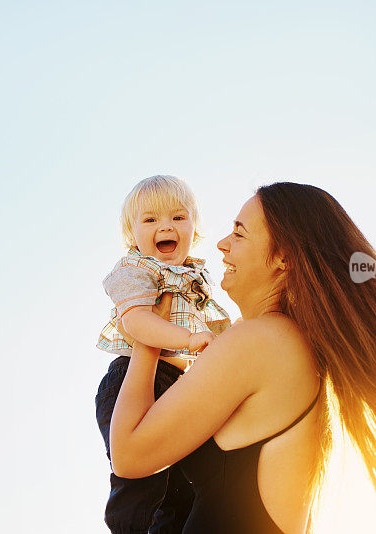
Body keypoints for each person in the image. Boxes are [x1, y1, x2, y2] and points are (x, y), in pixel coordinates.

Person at [109, 182, 376, 534]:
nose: (220, 243)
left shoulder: (261, 341)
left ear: (284, 258)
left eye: (239, 233)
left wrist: (144, 332)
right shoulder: (291, 348)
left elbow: (128, 456)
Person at [95, 175, 231, 533]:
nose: (165, 226)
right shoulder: (136, 269)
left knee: (183, 486)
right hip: (130, 380)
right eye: (150, 219)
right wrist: (188, 339)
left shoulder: (194, 276)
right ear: (133, 236)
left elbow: (217, 331)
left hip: (176, 383)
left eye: (178, 217)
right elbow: (139, 322)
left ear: (194, 228)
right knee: (143, 484)